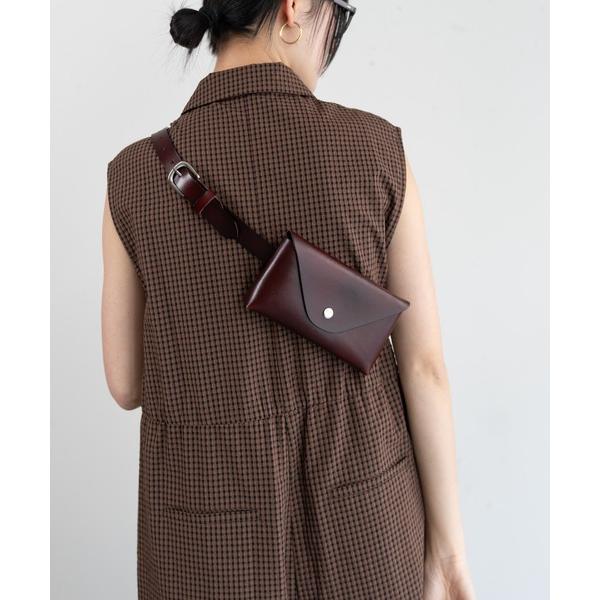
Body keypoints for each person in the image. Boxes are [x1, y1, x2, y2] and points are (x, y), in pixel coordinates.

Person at [101, 1, 476, 598]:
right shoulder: (376, 150)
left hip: (204, 546)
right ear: (295, 8)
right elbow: (425, 369)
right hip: (368, 530)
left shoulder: (131, 177)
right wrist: (450, 555)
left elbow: (126, 385)